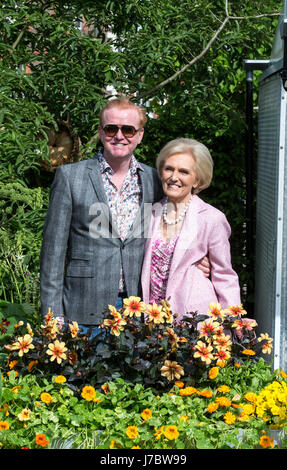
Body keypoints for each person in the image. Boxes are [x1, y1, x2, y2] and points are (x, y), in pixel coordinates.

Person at [40, 98, 210, 332]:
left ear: (139, 135)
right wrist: (52, 316)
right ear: (101, 132)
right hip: (83, 310)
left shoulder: (154, 181)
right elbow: (53, 253)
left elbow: (177, 226)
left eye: (128, 129)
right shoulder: (71, 178)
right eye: (111, 128)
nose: (119, 136)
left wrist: (196, 258)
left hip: (139, 310)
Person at [141, 137, 241, 320]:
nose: (174, 177)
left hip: (192, 318)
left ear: (197, 180)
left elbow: (224, 275)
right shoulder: (150, 213)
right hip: (151, 319)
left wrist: (232, 324)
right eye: (169, 169)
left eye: (184, 172)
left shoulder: (211, 219)